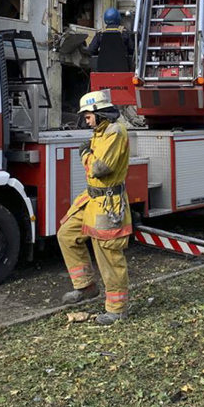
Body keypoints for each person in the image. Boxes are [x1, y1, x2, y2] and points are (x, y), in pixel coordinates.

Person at [57, 90, 132, 325]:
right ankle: (86, 286)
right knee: (67, 234)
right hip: (92, 199)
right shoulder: (101, 131)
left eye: (88, 115)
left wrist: (85, 154)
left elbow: (99, 168)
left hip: (108, 204)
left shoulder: (114, 132)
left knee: (108, 254)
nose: (86, 120)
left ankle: (116, 309)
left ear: (99, 113)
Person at [88, 7, 134, 72]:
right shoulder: (125, 32)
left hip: (102, 69)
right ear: (118, 18)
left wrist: (101, 54)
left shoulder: (100, 33)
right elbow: (132, 49)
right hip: (124, 68)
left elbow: (91, 50)